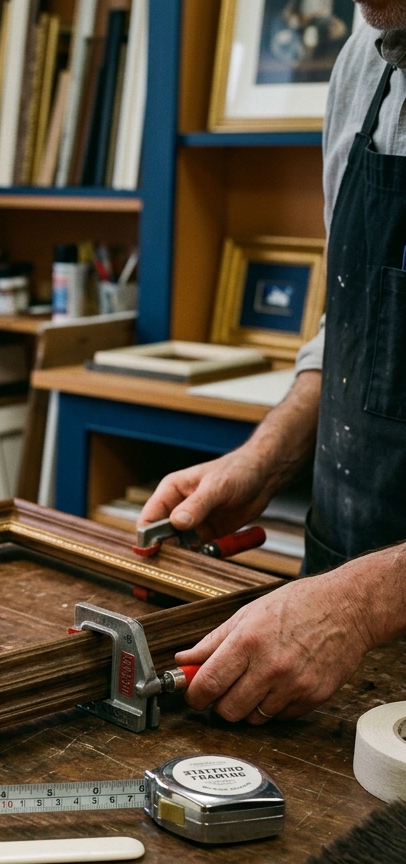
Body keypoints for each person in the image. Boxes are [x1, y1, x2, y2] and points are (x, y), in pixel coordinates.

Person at [138, 0, 406, 725]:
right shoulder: (364, 54)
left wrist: (363, 603)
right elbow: (354, 322)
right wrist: (263, 459)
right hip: (333, 609)